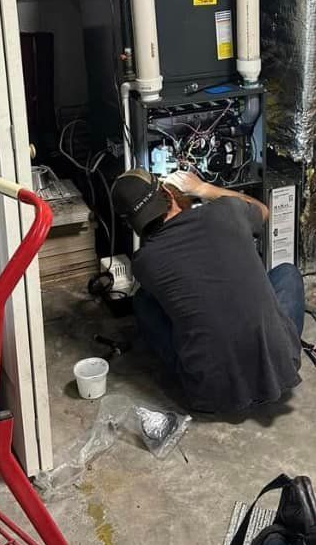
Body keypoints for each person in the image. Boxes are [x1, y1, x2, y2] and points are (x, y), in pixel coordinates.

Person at [111, 167, 305, 415]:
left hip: (209, 391)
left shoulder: (144, 263)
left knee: (143, 302)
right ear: (168, 195)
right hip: (282, 368)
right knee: (287, 272)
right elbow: (263, 210)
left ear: (132, 223)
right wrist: (202, 189)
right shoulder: (227, 211)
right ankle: (275, 350)